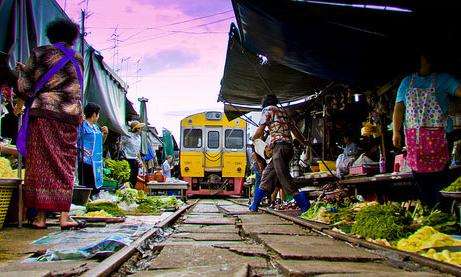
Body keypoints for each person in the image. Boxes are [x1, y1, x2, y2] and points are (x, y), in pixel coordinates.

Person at [15, 19, 85, 229]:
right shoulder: (78, 58)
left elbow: (25, 89)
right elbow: (76, 88)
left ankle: (40, 218)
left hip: (44, 114)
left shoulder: (40, 53)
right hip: (70, 117)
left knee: (40, 165)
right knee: (65, 163)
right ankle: (64, 217)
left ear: (51, 35)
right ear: (73, 38)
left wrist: (22, 72)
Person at [393, 51, 461, 207]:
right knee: (421, 182)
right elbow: (399, 108)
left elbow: (459, 90)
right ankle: (428, 213)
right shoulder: (406, 82)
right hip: (415, 141)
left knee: (441, 181)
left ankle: (443, 214)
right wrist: (396, 132)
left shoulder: (443, 79)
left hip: (439, 139)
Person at [249, 94, 310, 212]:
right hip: (288, 148)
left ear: (265, 104)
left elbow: (260, 130)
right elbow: (295, 130)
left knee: (284, 177)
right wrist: (304, 142)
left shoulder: (267, 110)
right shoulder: (284, 111)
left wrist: (254, 138)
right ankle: (255, 205)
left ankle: (304, 204)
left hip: (279, 148)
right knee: (267, 175)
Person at [78, 102, 108, 195]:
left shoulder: (96, 128)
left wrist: (105, 134)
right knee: (87, 186)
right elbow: (76, 141)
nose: (98, 116)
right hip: (85, 162)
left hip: (96, 163)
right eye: (98, 114)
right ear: (94, 114)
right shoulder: (82, 126)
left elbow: (100, 143)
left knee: (95, 188)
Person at [121, 120, 144, 187]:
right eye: (139, 128)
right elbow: (121, 145)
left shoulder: (139, 138)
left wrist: (140, 161)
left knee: (134, 177)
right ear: (135, 129)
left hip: (135, 159)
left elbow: (137, 151)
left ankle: (132, 188)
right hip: (127, 159)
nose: (140, 130)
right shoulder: (128, 136)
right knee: (128, 177)